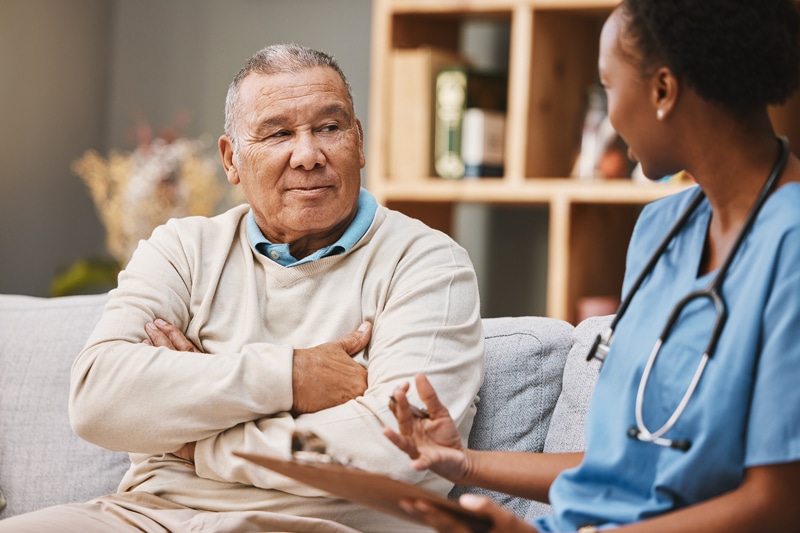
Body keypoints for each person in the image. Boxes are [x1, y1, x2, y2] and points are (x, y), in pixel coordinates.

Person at [0, 44, 484, 532]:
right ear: (231, 160)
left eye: (329, 128)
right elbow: (97, 399)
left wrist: (198, 441)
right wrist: (290, 377)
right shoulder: (182, 250)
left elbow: (396, 450)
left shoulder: (426, 263)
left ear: (358, 142)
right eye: (278, 133)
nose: (309, 155)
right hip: (146, 517)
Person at [384, 1, 800, 531]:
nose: (608, 114)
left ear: (663, 90)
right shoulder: (659, 231)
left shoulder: (790, 246)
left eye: (608, 84)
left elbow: (778, 504)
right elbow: (620, 467)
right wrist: (462, 461)